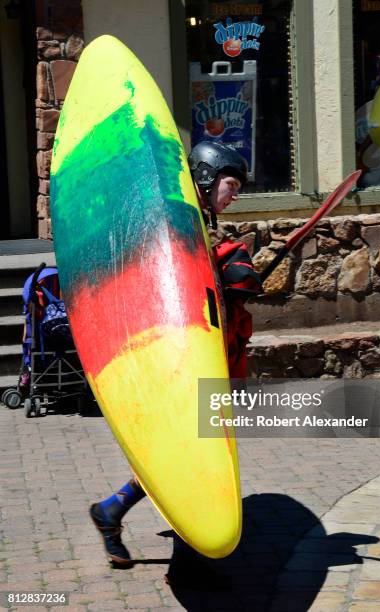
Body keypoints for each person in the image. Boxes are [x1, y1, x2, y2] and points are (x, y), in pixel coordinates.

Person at [89, 142, 262, 575]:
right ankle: (192, 558)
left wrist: (233, 276)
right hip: (171, 360)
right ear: (205, 177)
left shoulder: (200, 224)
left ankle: (111, 510)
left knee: (180, 454)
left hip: (200, 359)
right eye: (230, 184)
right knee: (190, 455)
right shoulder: (172, 223)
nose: (234, 194)